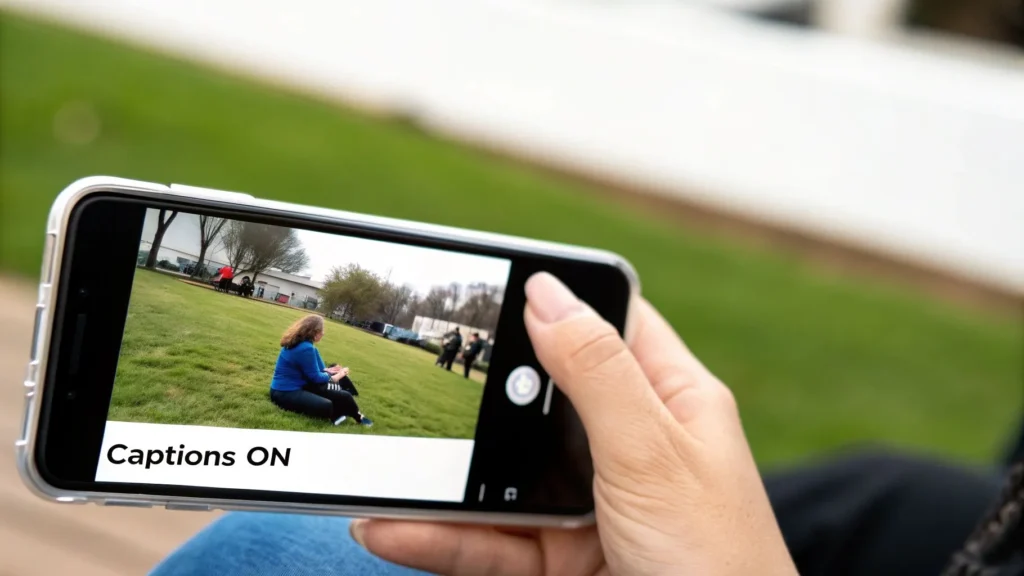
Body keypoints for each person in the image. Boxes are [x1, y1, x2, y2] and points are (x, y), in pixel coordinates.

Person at [152, 274, 1023, 576]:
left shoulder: (309, 345)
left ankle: (358, 414)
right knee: (884, 479)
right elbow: (299, 373)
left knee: (278, 548)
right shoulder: (292, 347)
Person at [270, 315, 373, 427]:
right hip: (284, 393)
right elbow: (317, 377)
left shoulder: (303, 344)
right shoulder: (305, 348)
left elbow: (316, 371)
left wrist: (329, 371)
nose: (323, 333)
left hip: (300, 386)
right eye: (321, 330)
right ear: (314, 332)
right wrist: (335, 375)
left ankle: (358, 417)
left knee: (344, 395)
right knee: (327, 405)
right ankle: (342, 412)